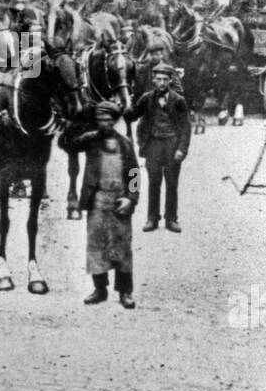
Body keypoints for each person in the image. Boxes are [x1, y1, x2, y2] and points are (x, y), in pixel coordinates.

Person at [61, 101, 138, 309]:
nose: (104, 123)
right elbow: (66, 145)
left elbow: (133, 173)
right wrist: (71, 123)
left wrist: (130, 198)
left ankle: (125, 292)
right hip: (97, 200)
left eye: (108, 120)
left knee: (122, 248)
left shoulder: (125, 143)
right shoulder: (90, 140)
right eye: (100, 120)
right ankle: (100, 289)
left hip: (119, 200)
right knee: (96, 247)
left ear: (114, 121)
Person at [125, 62, 190, 234]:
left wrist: (181, 150)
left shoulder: (178, 100)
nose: (161, 82)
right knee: (153, 182)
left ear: (170, 81)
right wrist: (122, 107)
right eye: (158, 79)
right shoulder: (147, 98)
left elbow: (185, 127)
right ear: (153, 80)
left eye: (165, 79)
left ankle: (171, 219)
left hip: (171, 145)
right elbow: (133, 114)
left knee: (172, 183)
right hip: (153, 145)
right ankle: (152, 218)